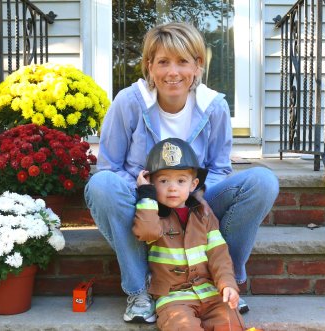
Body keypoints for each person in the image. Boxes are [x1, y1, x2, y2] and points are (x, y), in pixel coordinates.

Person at [84, 21, 279, 324]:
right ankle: (139, 290)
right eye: (163, 61)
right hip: (144, 200)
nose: (172, 72)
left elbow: (219, 167)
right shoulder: (128, 103)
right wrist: (148, 193)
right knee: (101, 185)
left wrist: (190, 197)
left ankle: (226, 285)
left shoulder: (214, 107)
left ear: (198, 66)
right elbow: (110, 165)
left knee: (263, 181)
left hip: (194, 198)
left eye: (183, 61)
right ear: (149, 66)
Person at [133, 137, 246, 331]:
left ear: (193, 185)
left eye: (180, 180)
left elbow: (219, 255)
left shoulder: (204, 215)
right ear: (151, 182)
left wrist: (227, 284)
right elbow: (146, 231)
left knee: (230, 322)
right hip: (172, 298)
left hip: (209, 293)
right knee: (182, 327)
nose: (172, 187)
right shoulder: (153, 214)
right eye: (163, 180)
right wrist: (146, 195)